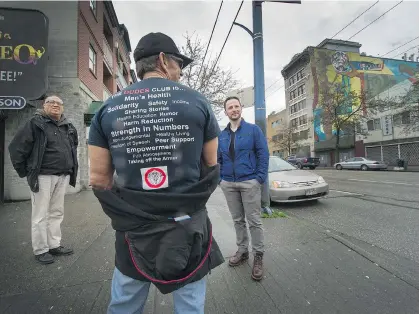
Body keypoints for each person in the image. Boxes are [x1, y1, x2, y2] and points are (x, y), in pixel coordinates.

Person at [88, 32, 224, 314]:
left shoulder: (108, 108)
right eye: (178, 65)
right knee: (189, 305)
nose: (180, 73)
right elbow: (211, 165)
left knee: (125, 303)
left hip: (134, 228)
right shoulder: (198, 102)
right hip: (187, 225)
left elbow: (98, 180)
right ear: (163, 60)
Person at [8, 95, 78, 264]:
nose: (55, 105)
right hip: (42, 176)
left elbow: (74, 146)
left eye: (59, 103)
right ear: (44, 106)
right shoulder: (35, 123)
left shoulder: (68, 126)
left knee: (56, 212)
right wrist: (26, 172)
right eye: (51, 102)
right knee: (40, 214)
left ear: (62, 107)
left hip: (62, 175)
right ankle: (41, 249)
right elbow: (17, 148)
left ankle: (54, 245)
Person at [217, 96, 269, 281]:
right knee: (237, 220)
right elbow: (218, 160)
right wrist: (220, 179)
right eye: (230, 107)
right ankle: (242, 250)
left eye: (236, 106)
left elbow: (263, 154)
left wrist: (259, 179)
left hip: (249, 182)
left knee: (254, 220)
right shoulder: (222, 135)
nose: (233, 109)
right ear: (225, 112)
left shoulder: (253, 130)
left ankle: (258, 256)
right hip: (229, 183)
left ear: (241, 108)